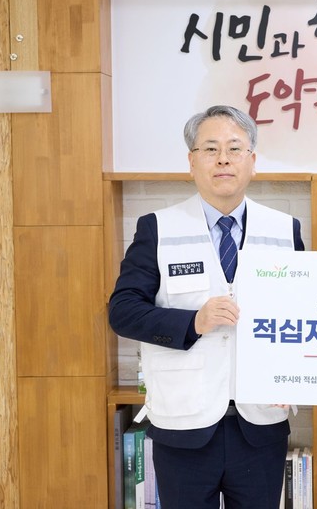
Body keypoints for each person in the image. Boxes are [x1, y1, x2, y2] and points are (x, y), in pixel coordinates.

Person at [108, 105, 305, 509]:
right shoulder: (158, 228)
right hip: (183, 425)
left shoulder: (285, 230)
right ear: (192, 161)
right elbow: (123, 311)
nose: (223, 159)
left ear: (252, 161)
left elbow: (304, 316)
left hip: (261, 425)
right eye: (210, 149)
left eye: (235, 149)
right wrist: (193, 321)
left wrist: (295, 378)